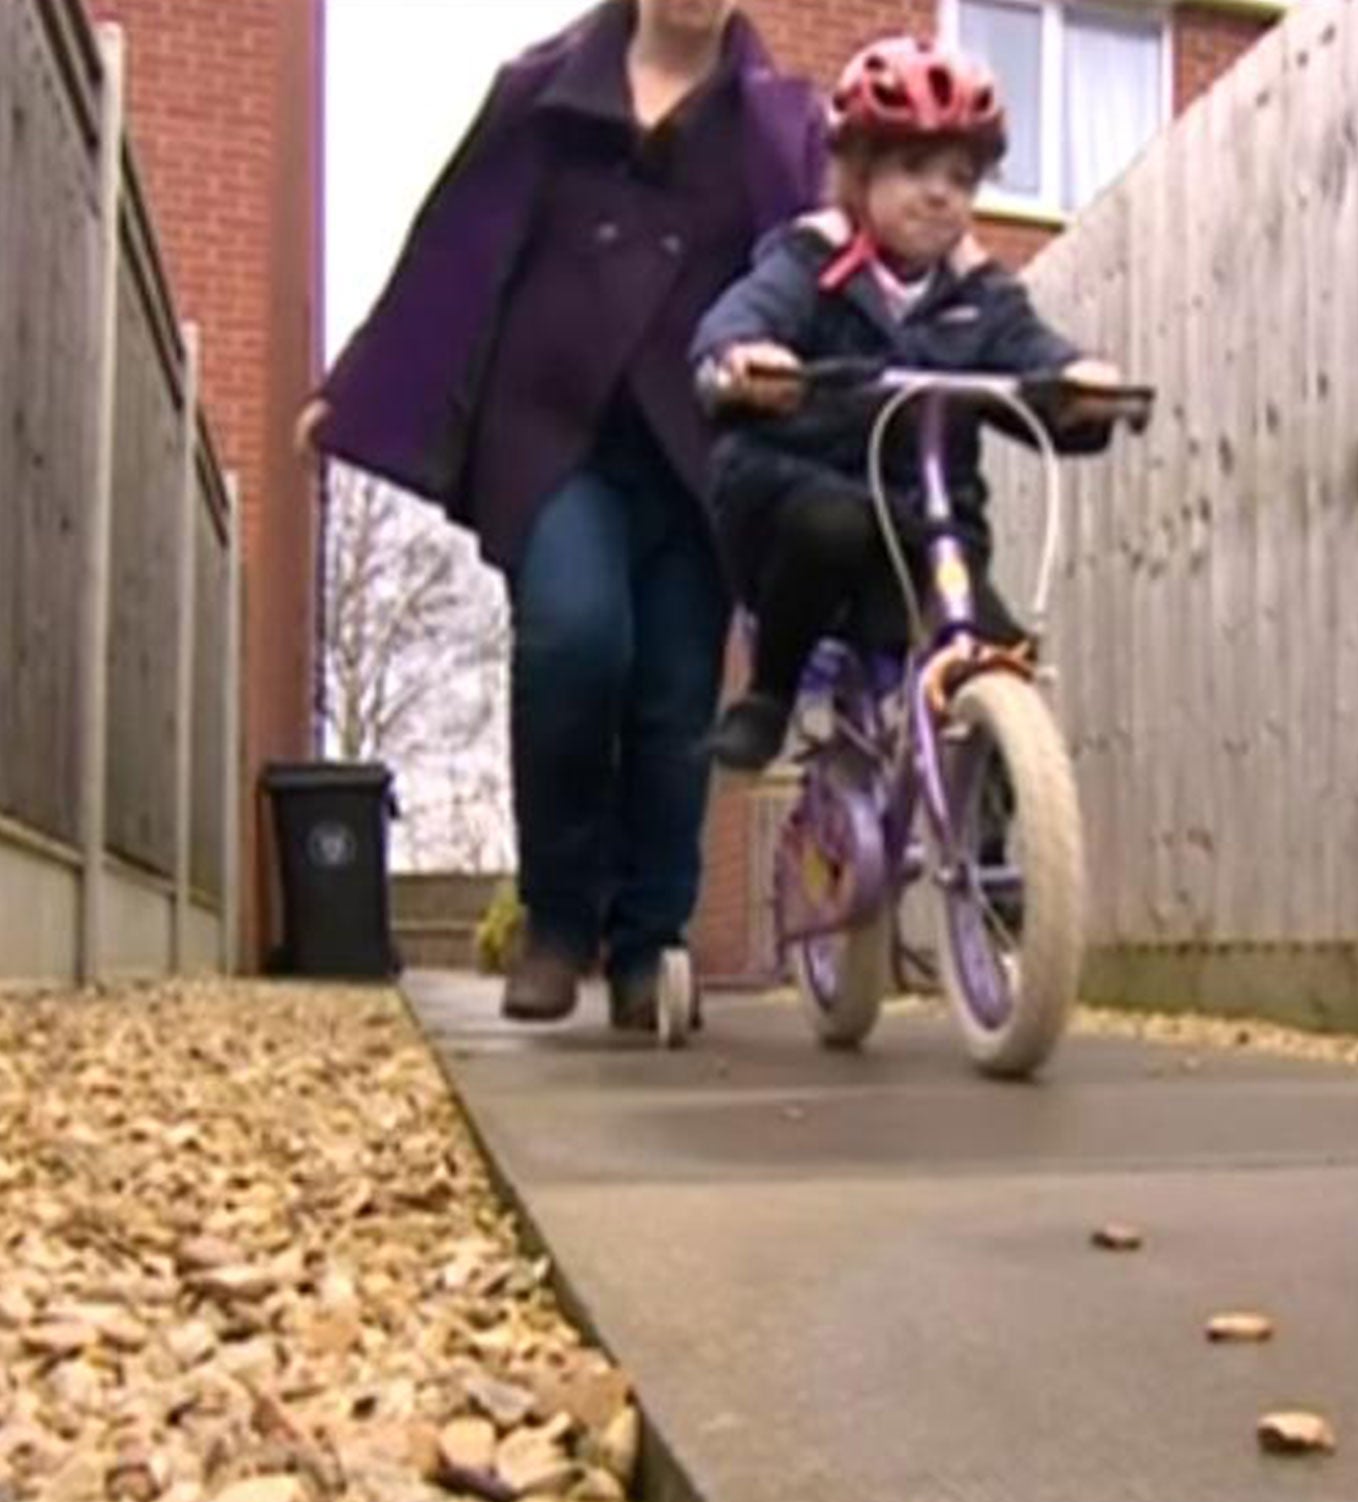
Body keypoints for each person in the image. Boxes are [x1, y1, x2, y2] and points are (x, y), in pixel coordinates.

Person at [298, 0, 826, 1027]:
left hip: (700, 448)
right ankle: (555, 922)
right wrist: (358, 385)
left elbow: (816, 266)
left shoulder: (778, 122)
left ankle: (647, 945)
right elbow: (452, 245)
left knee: (677, 696)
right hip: (553, 431)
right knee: (575, 641)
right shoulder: (541, 93)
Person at [688, 36, 1124, 772]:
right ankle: (770, 696)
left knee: (998, 650)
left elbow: (1030, 350)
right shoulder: (809, 264)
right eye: (914, 168)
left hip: (925, 525)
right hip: (795, 504)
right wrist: (747, 357)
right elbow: (741, 319)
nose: (939, 193)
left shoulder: (980, 295)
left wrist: (1077, 384)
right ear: (857, 177)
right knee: (832, 521)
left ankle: (999, 840)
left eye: (961, 177)